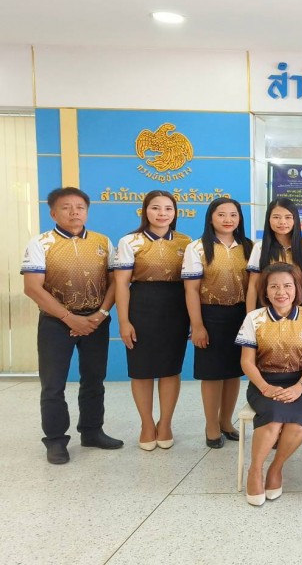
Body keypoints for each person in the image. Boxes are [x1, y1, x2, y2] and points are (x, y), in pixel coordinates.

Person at [21, 187, 121, 464]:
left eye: (80, 207)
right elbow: (32, 288)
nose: (74, 212)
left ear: (87, 211)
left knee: (94, 380)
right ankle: (55, 440)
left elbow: (115, 282)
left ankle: (92, 431)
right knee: (53, 385)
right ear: (53, 213)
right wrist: (69, 318)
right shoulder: (41, 243)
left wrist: (100, 314)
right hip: (56, 323)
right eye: (66, 207)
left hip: (96, 321)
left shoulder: (103, 242)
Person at [236, 263, 302, 506]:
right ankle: (255, 470)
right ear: (265, 291)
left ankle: (276, 468)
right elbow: (246, 362)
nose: (281, 292)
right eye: (274, 287)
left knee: (297, 424)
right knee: (274, 418)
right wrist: (265, 387)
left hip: (301, 383)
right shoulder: (254, 318)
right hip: (264, 382)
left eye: (287, 286)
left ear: (297, 289)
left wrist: (300, 386)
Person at [114, 190, 192, 451]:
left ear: (175, 213)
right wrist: (123, 321)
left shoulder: (186, 242)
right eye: (155, 208)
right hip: (141, 306)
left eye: (168, 208)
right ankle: (146, 424)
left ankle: (165, 423)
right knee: (141, 369)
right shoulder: (130, 241)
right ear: (144, 211)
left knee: (171, 368)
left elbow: (192, 285)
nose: (162, 213)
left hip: (176, 308)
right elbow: (121, 284)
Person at [182, 198, 253, 448]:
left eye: (233, 214)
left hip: (241, 315)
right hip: (210, 316)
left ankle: (226, 422)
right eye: (221, 214)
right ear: (211, 218)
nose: (228, 219)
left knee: (233, 372)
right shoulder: (197, 247)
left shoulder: (249, 247)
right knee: (212, 374)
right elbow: (191, 290)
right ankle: (211, 425)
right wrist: (197, 325)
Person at [246, 198, 302, 312]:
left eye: (288, 217)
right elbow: (253, 286)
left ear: (295, 219)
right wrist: (250, 316)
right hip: (267, 307)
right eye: (276, 217)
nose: (282, 222)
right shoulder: (260, 247)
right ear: (268, 219)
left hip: (299, 307)